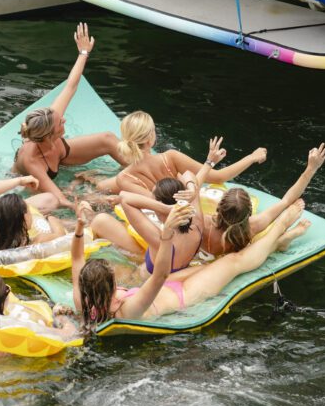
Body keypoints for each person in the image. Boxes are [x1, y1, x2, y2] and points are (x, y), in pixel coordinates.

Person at [71, 198, 309, 331]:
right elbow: (160, 274)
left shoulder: (82, 300)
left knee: (216, 264)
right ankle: (281, 227)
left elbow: (76, 260)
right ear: (108, 286)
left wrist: (81, 227)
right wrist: (166, 234)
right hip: (185, 294)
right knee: (234, 262)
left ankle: (278, 244)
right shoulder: (127, 309)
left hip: (170, 285)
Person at [12, 23, 126, 209]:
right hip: (41, 174)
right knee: (64, 199)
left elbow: (71, 85)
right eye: (60, 123)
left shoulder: (51, 117)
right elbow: (60, 199)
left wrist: (83, 52)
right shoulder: (32, 161)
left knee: (107, 138)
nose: (63, 119)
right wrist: (82, 208)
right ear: (49, 134)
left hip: (59, 154)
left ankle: (143, 170)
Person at [89, 137, 227, 275]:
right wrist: (195, 184)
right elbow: (189, 175)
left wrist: (165, 209)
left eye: (153, 200)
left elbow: (125, 198)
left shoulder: (161, 240)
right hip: (176, 264)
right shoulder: (197, 223)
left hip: (139, 277)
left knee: (100, 220)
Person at [201, 143, 325, 257]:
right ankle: (281, 241)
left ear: (218, 207)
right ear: (249, 214)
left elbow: (192, 187)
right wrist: (311, 168)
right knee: (262, 245)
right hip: (236, 251)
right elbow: (286, 201)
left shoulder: (201, 222)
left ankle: (281, 241)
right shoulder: (253, 227)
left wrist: (210, 161)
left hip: (208, 251)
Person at [113, 111, 267, 197]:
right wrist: (251, 157)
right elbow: (219, 177)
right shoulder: (171, 157)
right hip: (182, 220)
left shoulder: (124, 178)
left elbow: (156, 204)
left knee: (104, 186)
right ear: (149, 139)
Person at [0, 274, 80, 359]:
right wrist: (61, 317)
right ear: (2, 302)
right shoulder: (16, 327)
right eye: (7, 289)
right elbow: (70, 334)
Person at [0, 192, 66, 250]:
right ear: (25, 217)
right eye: (29, 211)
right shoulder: (36, 241)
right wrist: (50, 218)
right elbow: (60, 234)